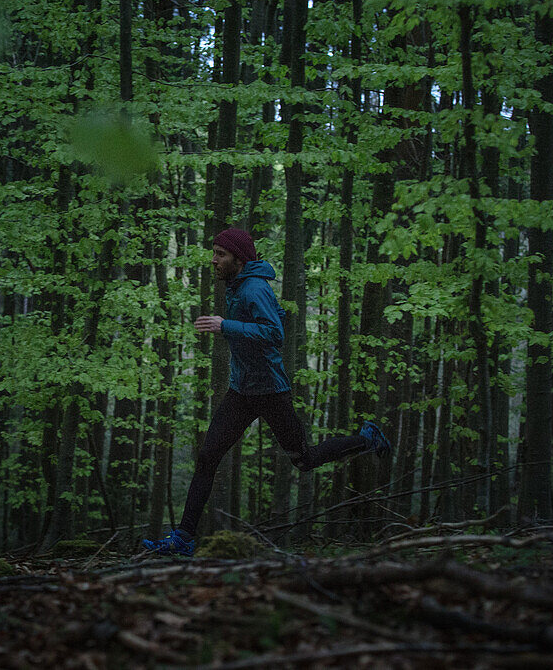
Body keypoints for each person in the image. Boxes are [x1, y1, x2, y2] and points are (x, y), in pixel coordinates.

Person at [142, 227, 390, 556]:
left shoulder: (253, 287)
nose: (213, 260)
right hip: (242, 391)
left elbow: (273, 334)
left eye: (221, 254)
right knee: (207, 457)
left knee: (305, 459)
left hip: (271, 392)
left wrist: (224, 325)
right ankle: (184, 538)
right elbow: (271, 319)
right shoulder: (239, 285)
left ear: (239, 260)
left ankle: (367, 438)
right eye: (213, 252)